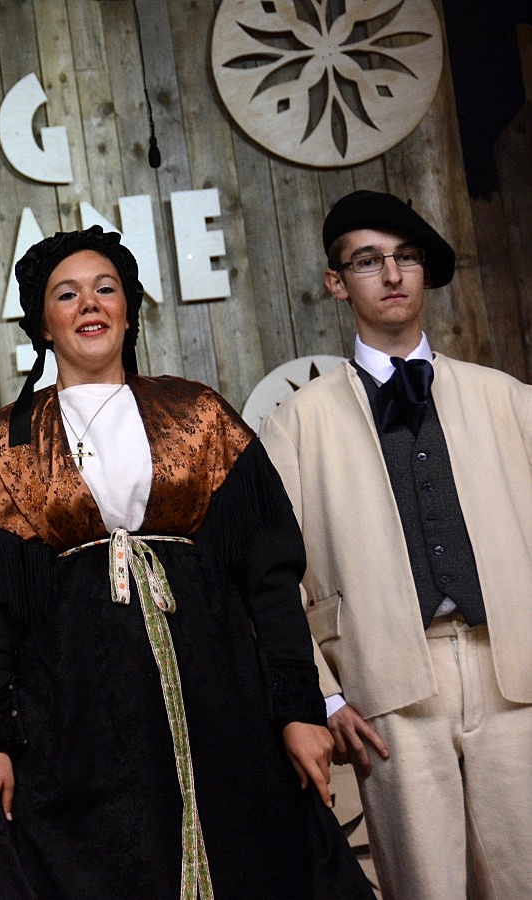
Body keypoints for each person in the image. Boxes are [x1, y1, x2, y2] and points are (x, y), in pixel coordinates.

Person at [0, 226, 372, 898]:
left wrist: (299, 708)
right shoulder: (3, 445)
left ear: (127, 311)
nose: (90, 304)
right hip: (75, 723)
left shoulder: (197, 415)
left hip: (223, 703)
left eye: (105, 288)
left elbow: (268, 582)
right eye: (67, 294)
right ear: (43, 325)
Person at [260, 190, 532, 900]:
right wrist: (322, 698)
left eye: (405, 257)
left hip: (514, 668)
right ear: (335, 282)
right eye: (367, 260)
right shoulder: (297, 423)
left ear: (424, 273)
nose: (390, 274)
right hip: (385, 681)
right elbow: (272, 579)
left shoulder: (506, 398)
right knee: (424, 887)